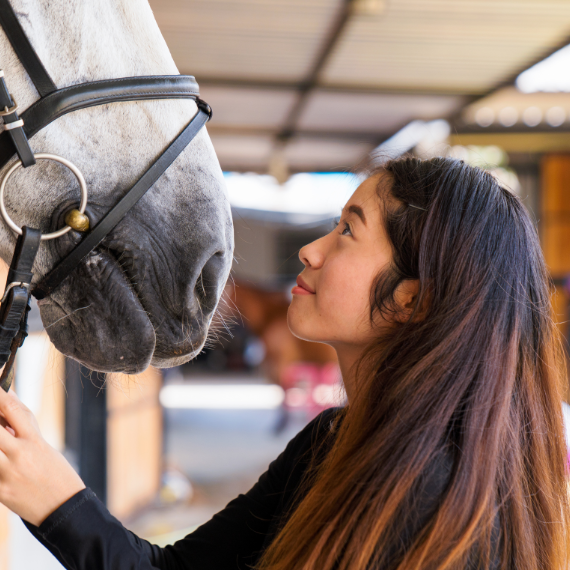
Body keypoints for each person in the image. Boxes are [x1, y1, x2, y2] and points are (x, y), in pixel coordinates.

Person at [0, 156, 568, 570]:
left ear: (410, 300)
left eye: (348, 230)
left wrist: (61, 503)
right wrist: (54, 495)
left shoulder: (431, 493)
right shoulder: (336, 440)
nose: (310, 250)